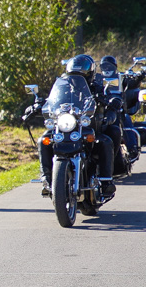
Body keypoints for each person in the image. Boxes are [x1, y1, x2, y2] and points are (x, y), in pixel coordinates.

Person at [36, 54, 115, 197]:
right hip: (66, 126)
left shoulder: (98, 87)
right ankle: (47, 180)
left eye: (82, 76)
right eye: (73, 75)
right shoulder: (63, 86)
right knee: (43, 141)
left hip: (87, 126)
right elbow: (53, 99)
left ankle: (106, 182)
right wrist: (39, 104)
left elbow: (109, 99)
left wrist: (107, 100)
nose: (77, 79)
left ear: (90, 75)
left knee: (105, 142)